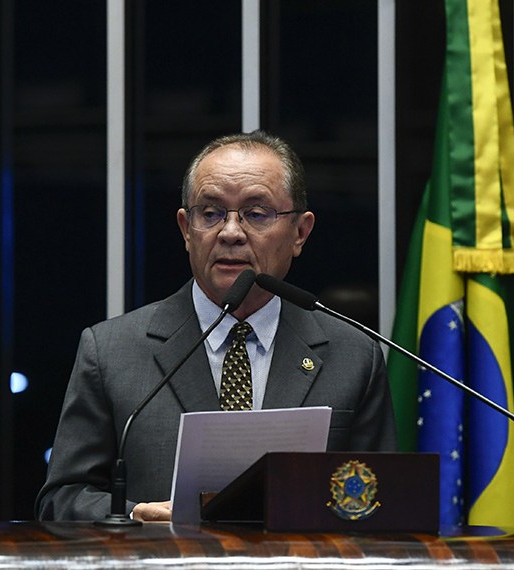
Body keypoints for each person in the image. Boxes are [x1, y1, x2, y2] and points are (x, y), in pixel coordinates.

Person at [35, 130, 396, 522]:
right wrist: (132, 516)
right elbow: (61, 501)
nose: (230, 232)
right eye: (211, 213)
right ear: (186, 230)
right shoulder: (111, 351)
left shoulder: (353, 355)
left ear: (300, 232)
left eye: (256, 214)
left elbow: (382, 504)